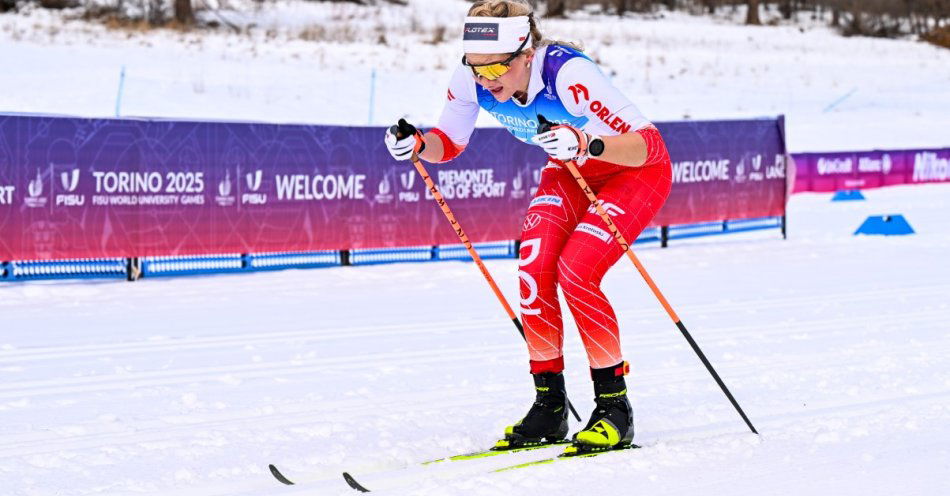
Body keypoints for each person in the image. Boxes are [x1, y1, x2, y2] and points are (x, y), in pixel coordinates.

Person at [384, 0, 672, 455]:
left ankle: (615, 408)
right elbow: (450, 142)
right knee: (533, 269)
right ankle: (549, 407)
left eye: (497, 69)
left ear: (525, 54)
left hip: (629, 174)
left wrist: (585, 141)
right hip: (568, 171)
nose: (486, 81)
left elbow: (648, 148)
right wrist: (418, 144)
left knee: (576, 271)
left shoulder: (568, 75)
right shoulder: (471, 77)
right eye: (477, 69)